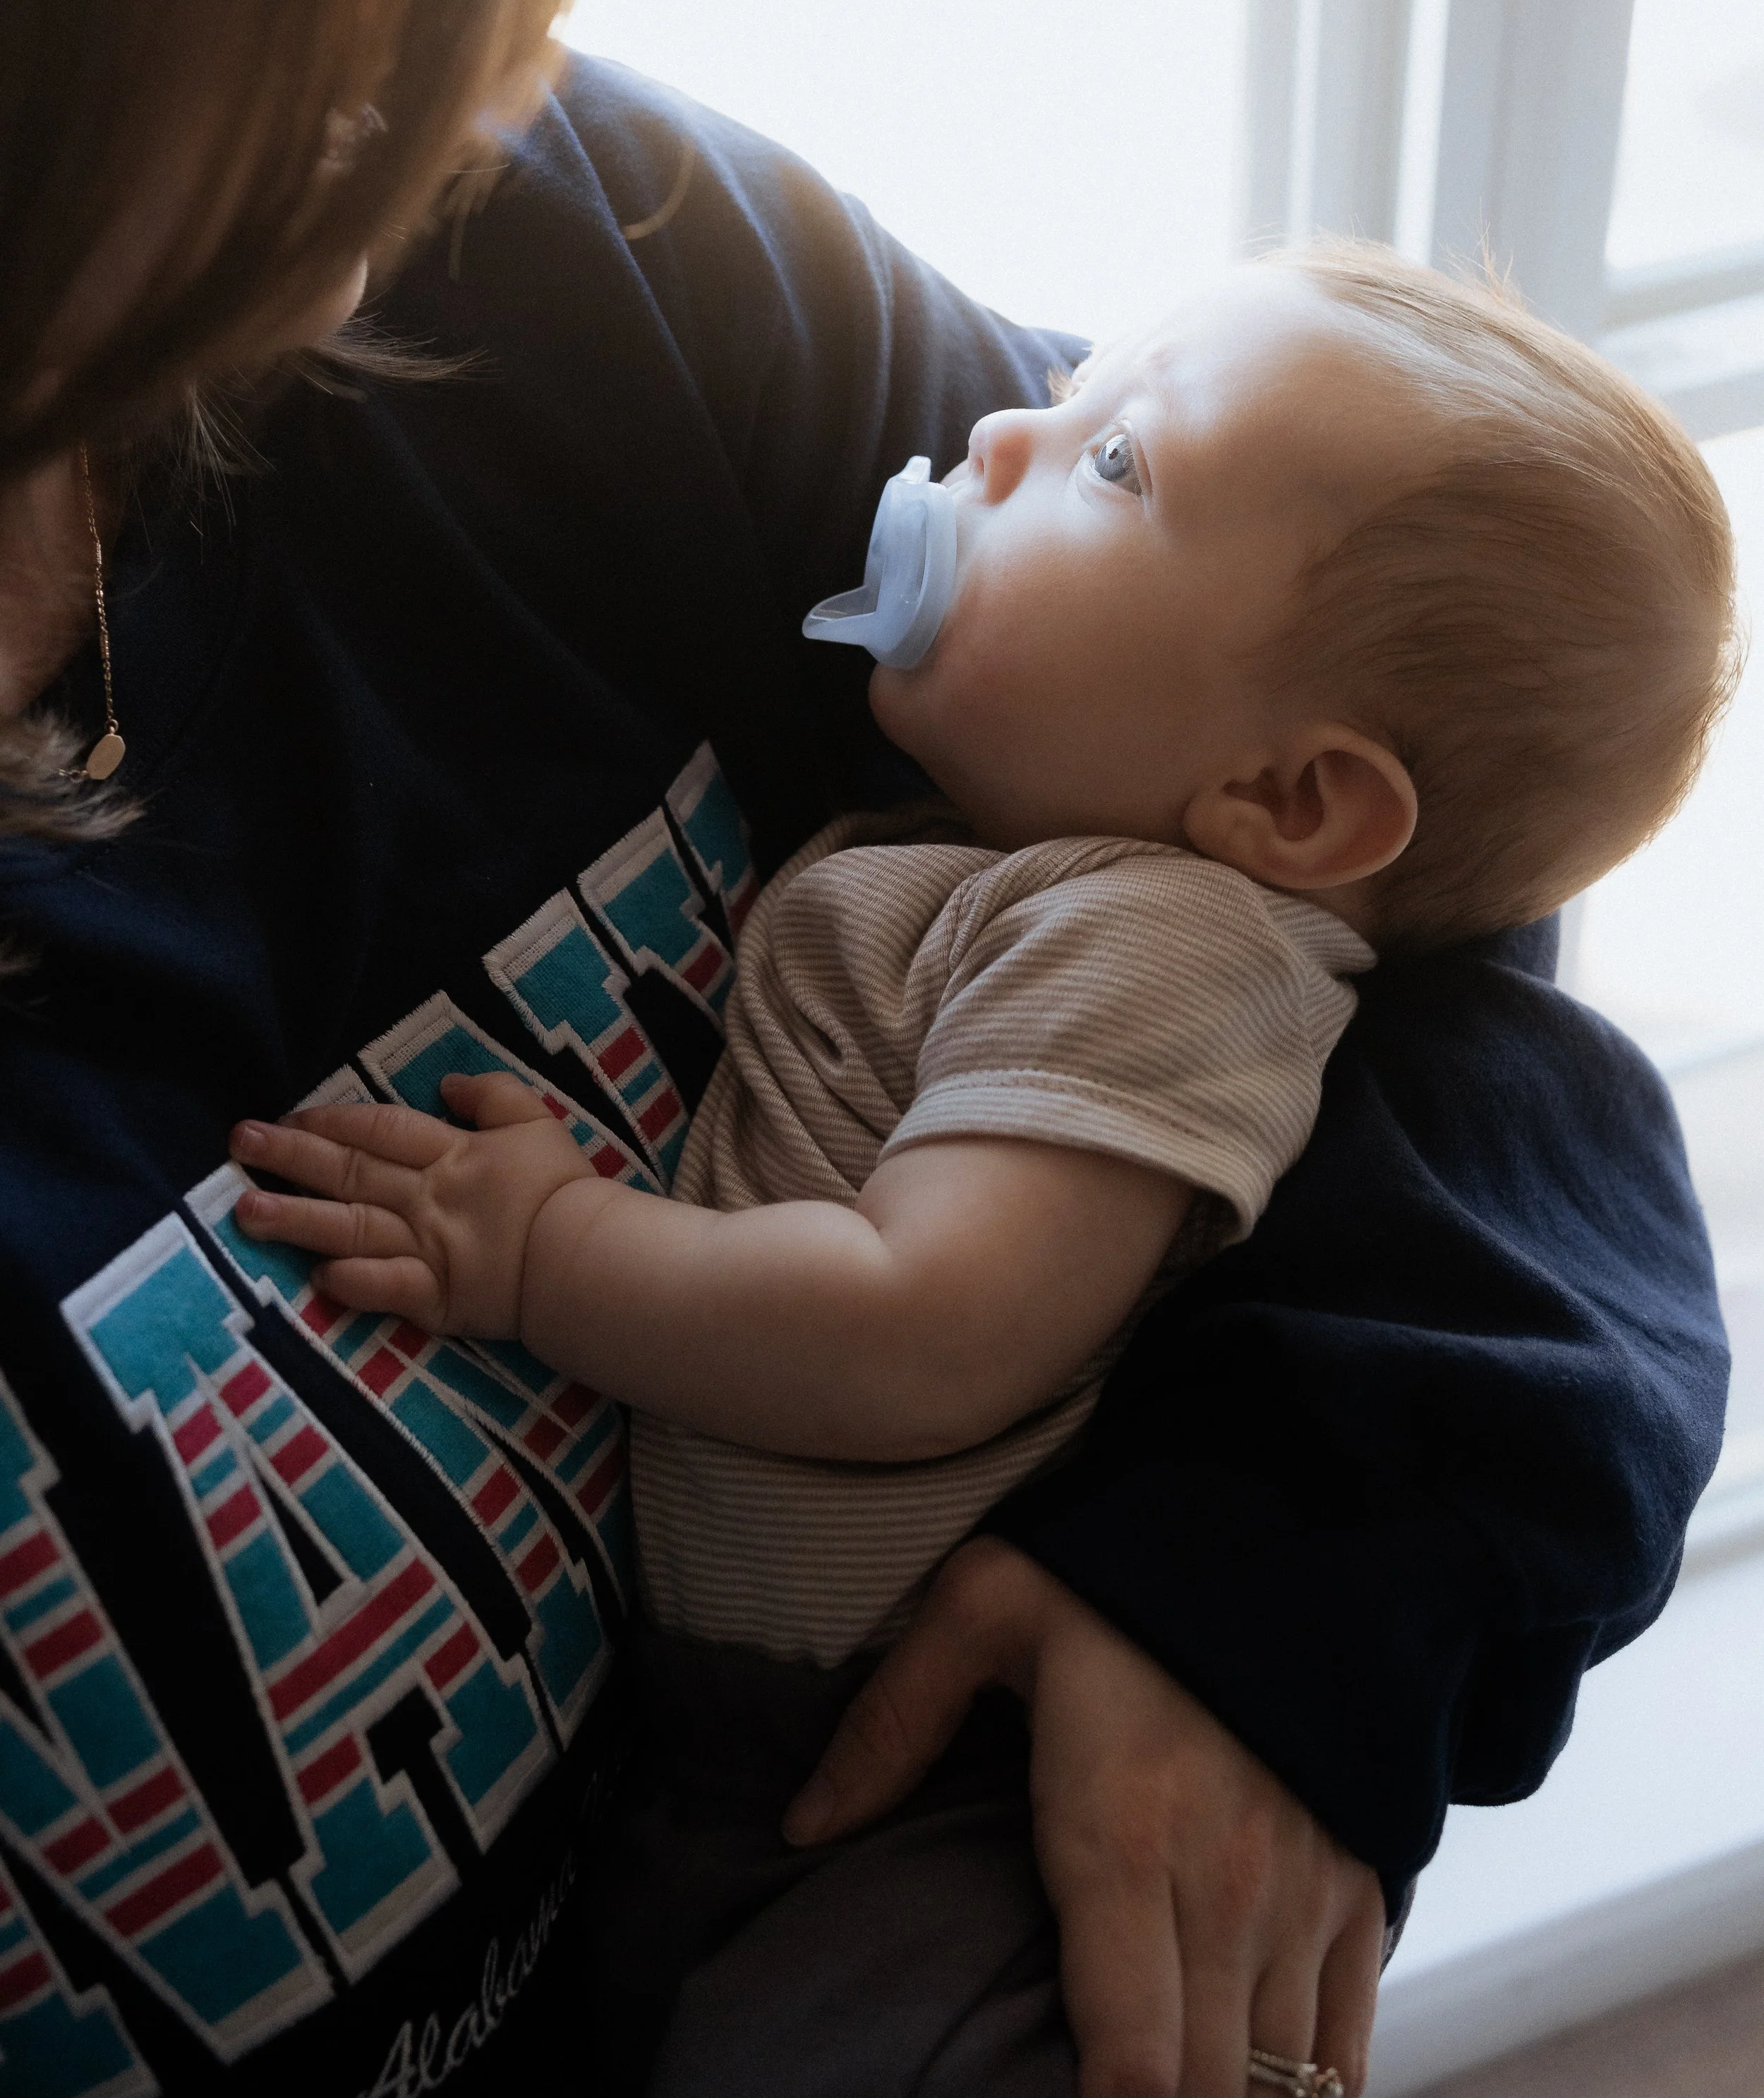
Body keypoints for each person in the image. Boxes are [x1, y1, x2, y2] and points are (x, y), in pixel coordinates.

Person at [0, 0, 1728, 2098]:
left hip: (861, 1869)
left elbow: (1445, 931)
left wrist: (1302, 1549)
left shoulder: (569, 253)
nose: (482, 93)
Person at [226, 246, 1738, 2092]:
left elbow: (919, 1325)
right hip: (751, 1747)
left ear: (1293, 805)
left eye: (1113, 462)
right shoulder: (1032, 868)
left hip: (941, 1789)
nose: (1002, 427)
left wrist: (546, 1248)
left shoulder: (1154, 946)